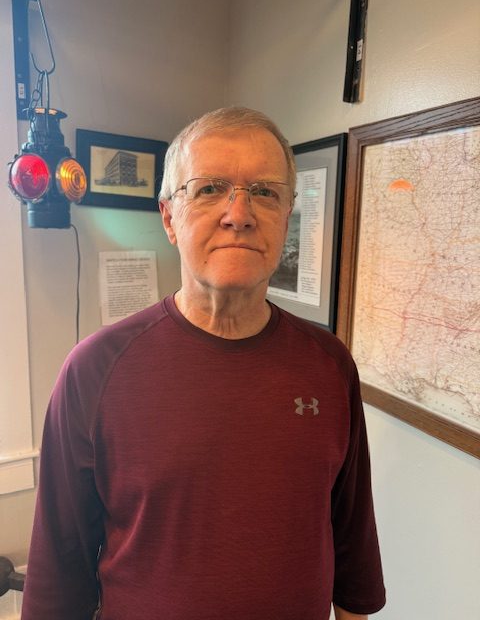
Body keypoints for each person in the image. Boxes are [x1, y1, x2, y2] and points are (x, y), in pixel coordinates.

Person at [21, 107, 386, 620]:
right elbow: (57, 575)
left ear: (287, 217)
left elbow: (353, 551)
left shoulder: (329, 366)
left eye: (265, 192)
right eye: (210, 188)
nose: (239, 213)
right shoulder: (95, 371)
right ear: (169, 218)